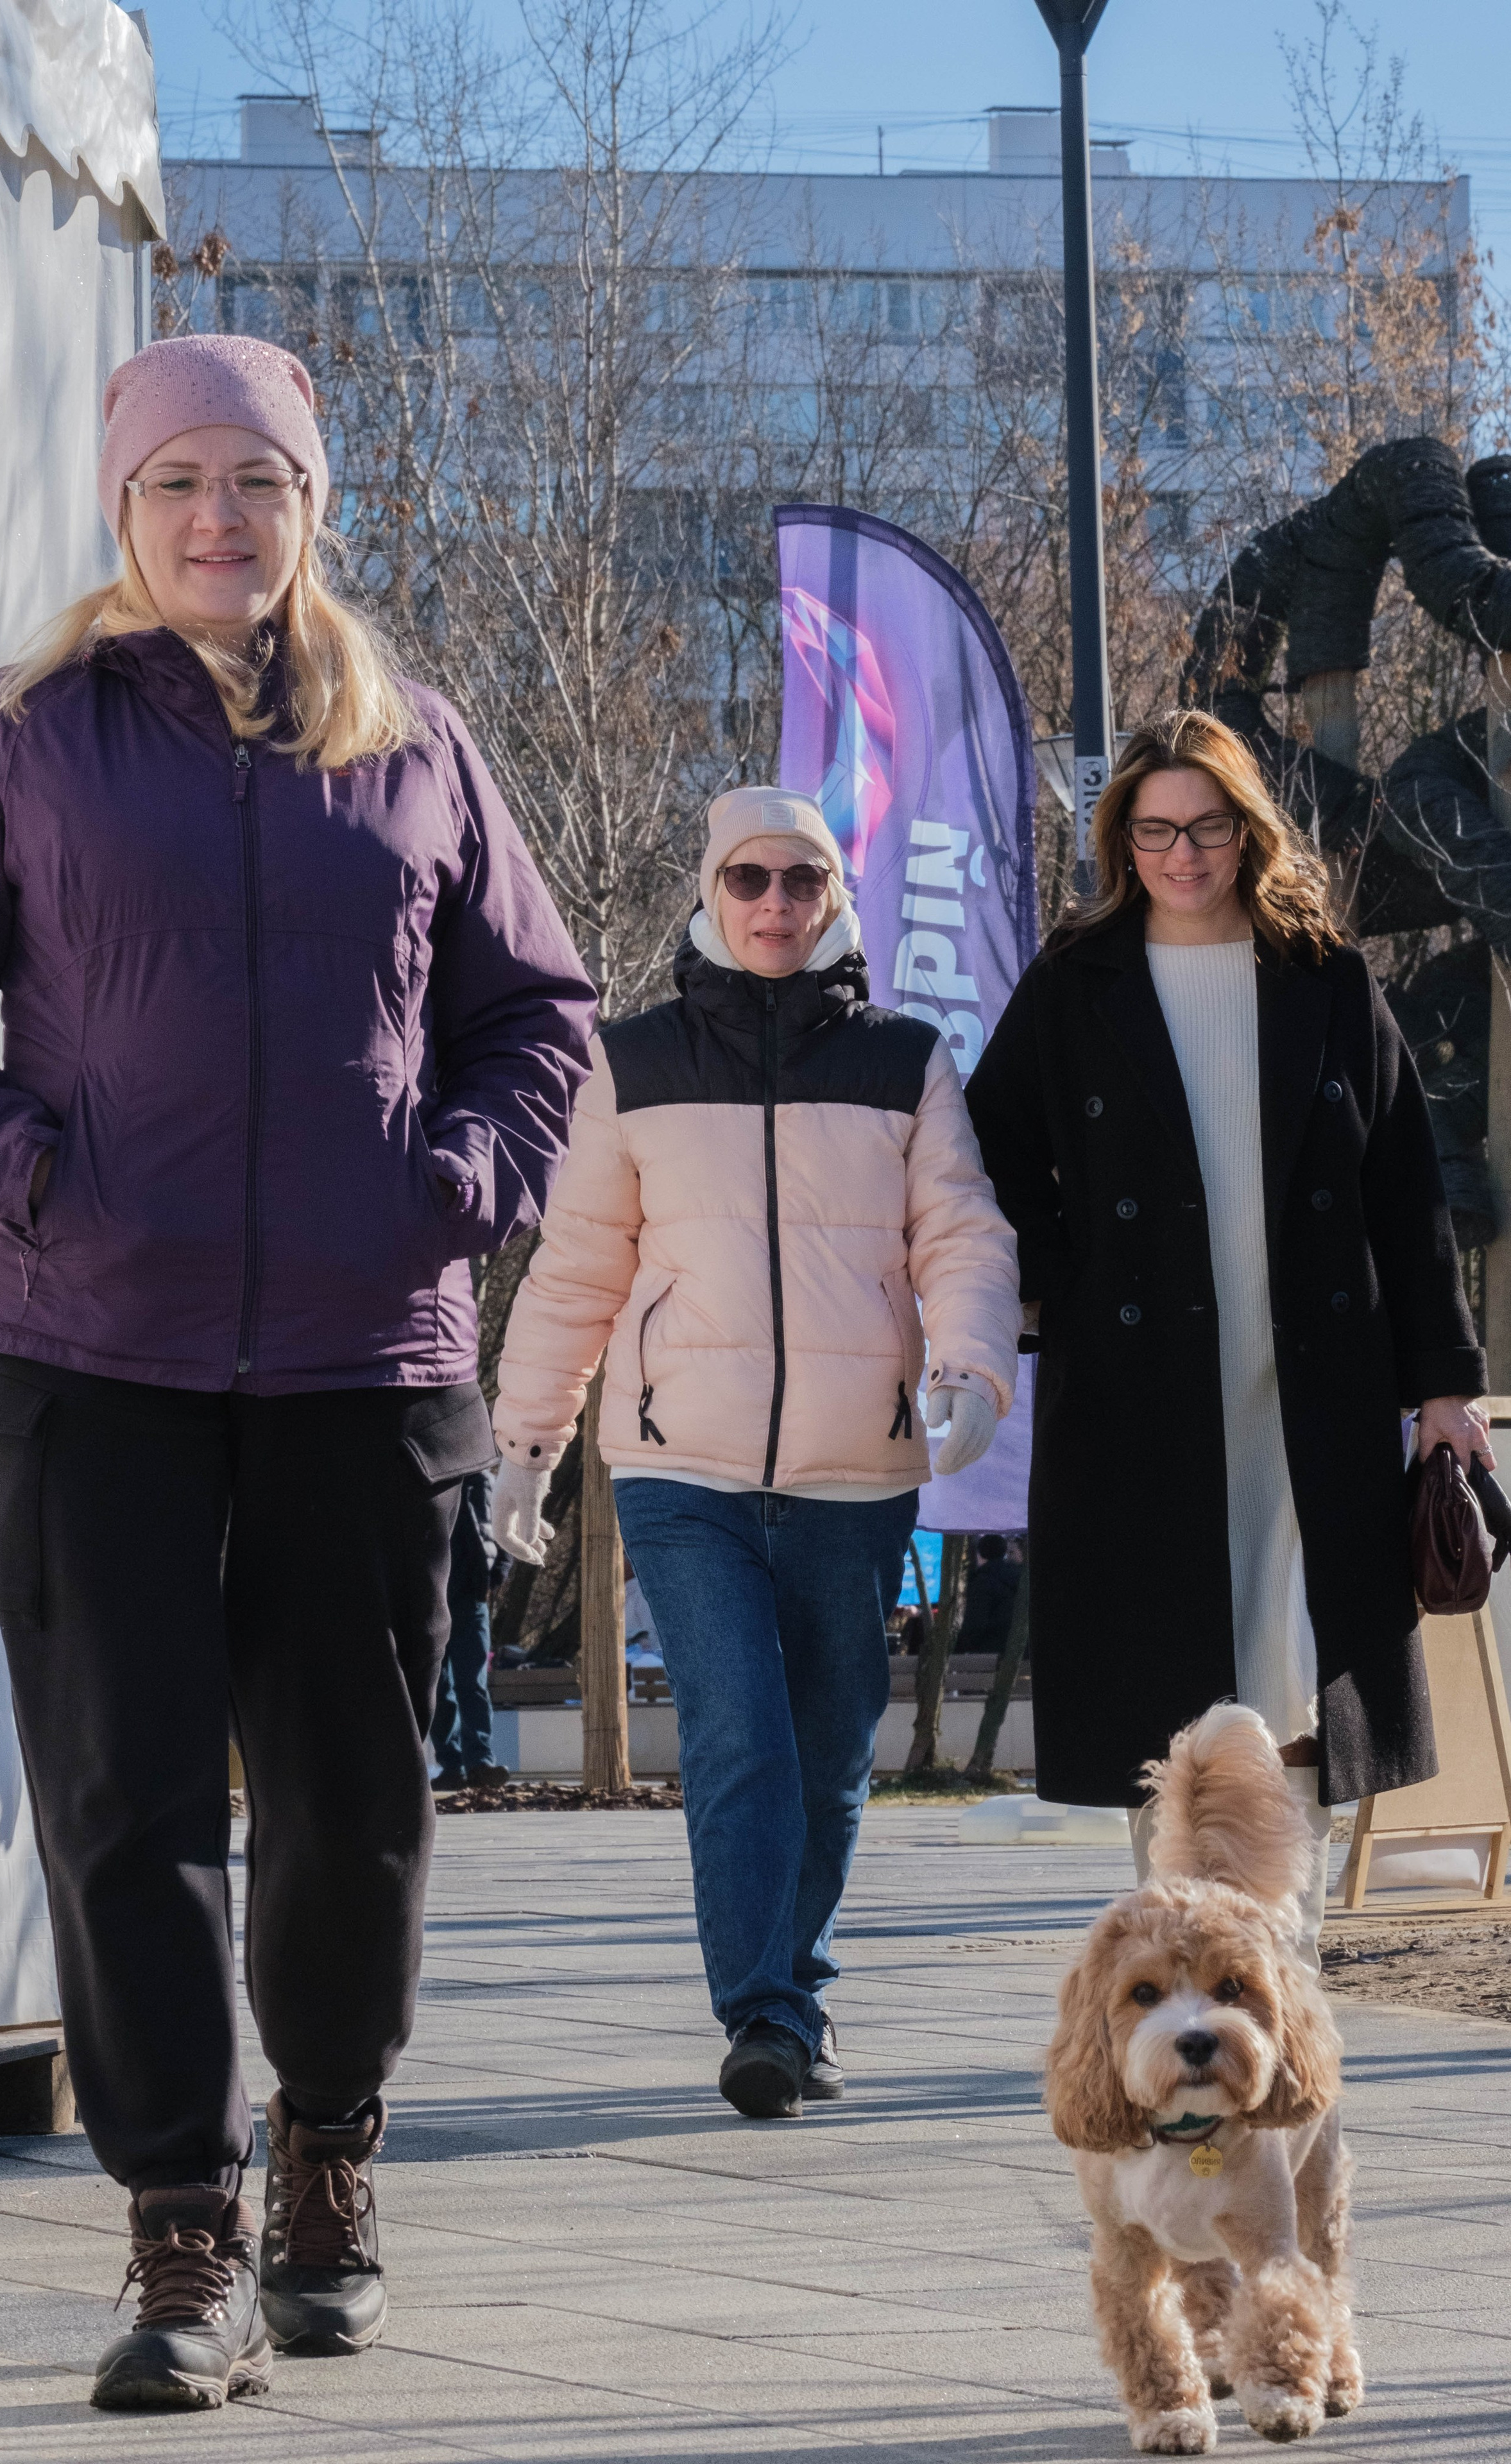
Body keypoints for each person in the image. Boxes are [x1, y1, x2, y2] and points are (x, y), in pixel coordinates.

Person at [0, 334, 593, 2409]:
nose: (219, 516)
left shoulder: (417, 743)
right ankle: (180, 2223)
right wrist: (24, 1169)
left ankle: (330, 2153)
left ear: (310, 509)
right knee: (127, 1804)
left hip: (368, 1361)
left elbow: (539, 1013)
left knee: (355, 1806)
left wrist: (461, 1182)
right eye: (180, 479)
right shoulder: (24, 735)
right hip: (86, 1354)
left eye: (257, 481)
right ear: (126, 507)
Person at [489, 786, 1023, 2116]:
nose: (774, 904)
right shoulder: (633, 1060)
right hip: (683, 1468)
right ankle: (766, 2016)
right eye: (748, 879)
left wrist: (969, 1368)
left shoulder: (905, 1061)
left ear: (834, 896)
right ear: (710, 892)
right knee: (738, 1734)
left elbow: (961, 1234)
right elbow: (576, 1267)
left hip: (855, 1470)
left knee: (831, 1749)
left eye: (800, 881)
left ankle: (794, 1989)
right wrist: (527, 1440)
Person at [965, 710, 1489, 1962]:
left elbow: (1405, 1189)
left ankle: (1283, 1973)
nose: (1181, 855)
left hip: (1309, 1390)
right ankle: (1187, 1970)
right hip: (1139, 1390)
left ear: (1247, 832)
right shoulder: (1076, 982)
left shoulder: (1325, 980)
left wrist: (1442, 1385)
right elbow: (988, 1148)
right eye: (1154, 832)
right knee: (1167, 1706)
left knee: (1297, 1679)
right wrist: (1062, 1280)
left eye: (1205, 827)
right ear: (1121, 842)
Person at [432, 1468, 510, 1790]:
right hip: (431, 1597)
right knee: (438, 1686)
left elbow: (504, 1528)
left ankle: (480, 1763)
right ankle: (451, 1766)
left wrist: (497, 1573)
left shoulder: (485, 1480)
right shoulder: (429, 1474)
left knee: (473, 1684)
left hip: (471, 1597)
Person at [959, 1534, 1021, 1659]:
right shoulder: (1020, 1578)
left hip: (991, 1651)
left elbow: (976, 1622)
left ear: (980, 1554)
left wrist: (960, 1647)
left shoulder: (982, 1582)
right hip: (1021, 1649)